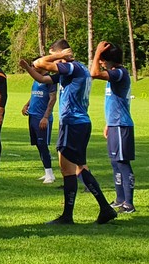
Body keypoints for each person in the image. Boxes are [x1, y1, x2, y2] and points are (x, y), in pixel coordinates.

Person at [31, 40, 117, 226]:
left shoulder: (71, 67)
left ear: (62, 53)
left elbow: (40, 63)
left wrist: (59, 56)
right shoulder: (78, 69)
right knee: (76, 167)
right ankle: (99, 209)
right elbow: (42, 77)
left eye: (53, 54)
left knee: (71, 169)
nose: (55, 61)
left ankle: (75, 215)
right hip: (80, 123)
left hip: (72, 122)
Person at [91, 40, 136, 213]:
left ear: (110, 60)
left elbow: (93, 73)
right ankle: (119, 199)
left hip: (122, 125)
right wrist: (108, 123)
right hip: (114, 125)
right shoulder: (114, 73)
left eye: (103, 59)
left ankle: (129, 203)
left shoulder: (119, 73)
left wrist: (96, 53)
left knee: (122, 163)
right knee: (114, 163)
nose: (101, 62)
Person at [18, 58, 58, 183]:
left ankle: (50, 174)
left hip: (42, 118)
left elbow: (52, 99)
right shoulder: (36, 80)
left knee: (43, 145)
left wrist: (46, 117)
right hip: (33, 116)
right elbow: (34, 94)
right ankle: (46, 172)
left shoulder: (50, 80)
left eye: (34, 65)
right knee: (38, 145)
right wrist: (26, 105)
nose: (33, 67)